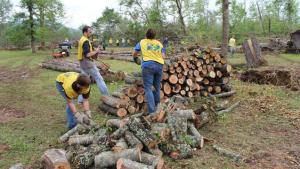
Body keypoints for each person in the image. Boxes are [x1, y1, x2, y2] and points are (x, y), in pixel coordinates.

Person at [133, 29, 165, 115]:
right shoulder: (159, 44)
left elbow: (135, 53)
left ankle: (152, 112)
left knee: (148, 88)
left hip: (148, 66)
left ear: (146, 35)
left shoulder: (142, 42)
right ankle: (158, 108)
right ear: (155, 36)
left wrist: (135, 58)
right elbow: (163, 56)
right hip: (159, 65)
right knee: (157, 88)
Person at [77, 26, 109, 103]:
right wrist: (96, 51)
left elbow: (85, 52)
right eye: (89, 32)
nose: (91, 33)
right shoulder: (85, 41)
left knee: (83, 81)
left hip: (82, 63)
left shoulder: (82, 39)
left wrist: (94, 51)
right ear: (85, 32)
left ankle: (80, 100)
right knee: (99, 79)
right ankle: (107, 97)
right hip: (88, 64)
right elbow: (87, 54)